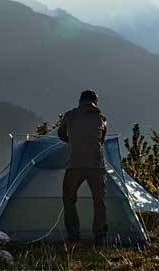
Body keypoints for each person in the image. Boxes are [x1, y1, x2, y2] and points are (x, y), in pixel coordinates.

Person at [56, 90, 109, 244]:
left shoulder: (69, 116)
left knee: (69, 199)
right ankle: (100, 237)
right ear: (95, 102)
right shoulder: (102, 119)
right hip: (96, 165)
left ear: (80, 101)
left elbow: (60, 134)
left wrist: (72, 142)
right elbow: (102, 139)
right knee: (99, 201)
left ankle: (73, 235)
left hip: (74, 164)